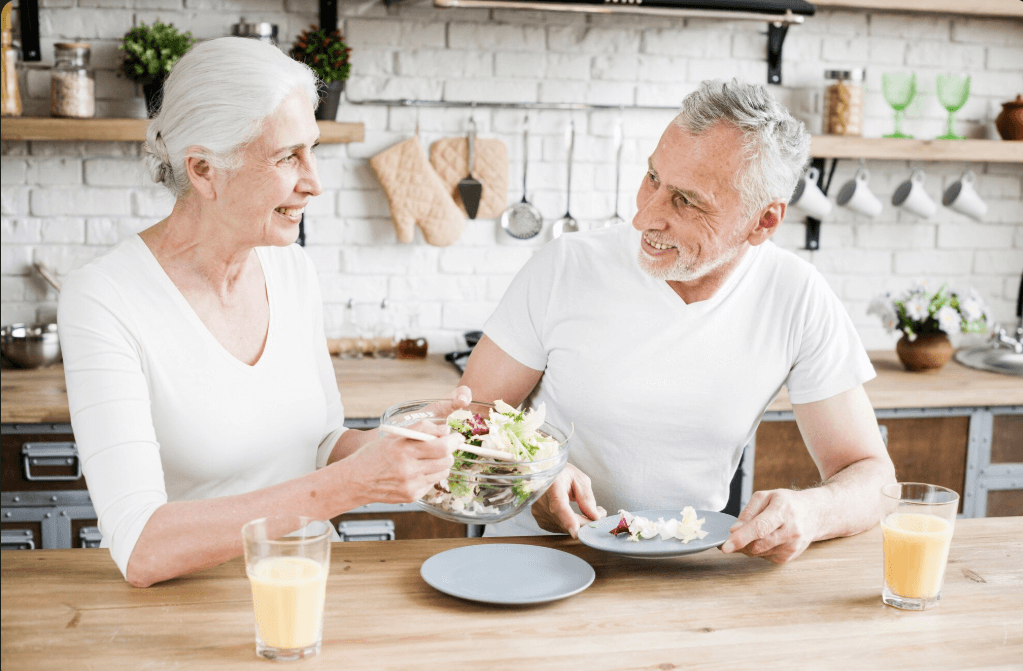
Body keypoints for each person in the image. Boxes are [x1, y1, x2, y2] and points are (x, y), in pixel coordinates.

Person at [57, 37, 467, 587]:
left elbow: (320, 445)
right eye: (286, 157)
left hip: (306, 589)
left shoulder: (292, 271)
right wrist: (352, 485)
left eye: (313, 149)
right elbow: (140, 546)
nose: (314, 181)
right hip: (189, 618)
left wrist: (405, 440)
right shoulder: (105, 298)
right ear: (203, 170)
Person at [461, 79, 896, 564]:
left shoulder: (796, 296)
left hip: (687, 575)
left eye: (686, 201)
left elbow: (873, 478)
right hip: (534, 558)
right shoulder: (565, 266)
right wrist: (531, 475)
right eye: (652, 178)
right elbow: (463, 420)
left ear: (764, 221)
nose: (645, 217)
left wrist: (814, 511)